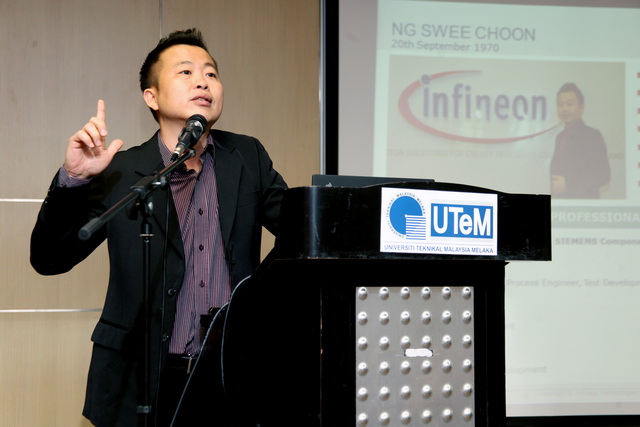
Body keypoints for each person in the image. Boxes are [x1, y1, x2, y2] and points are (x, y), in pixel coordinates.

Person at [30, 28, 287, 426]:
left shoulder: (247, 156)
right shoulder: (121, 170)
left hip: (230, 374)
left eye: (211, 73)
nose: (203, 81)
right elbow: (50, 258)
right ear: (152, 97)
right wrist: (74, 179)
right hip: (140, 378)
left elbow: (301, 232)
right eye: (186, 72)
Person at [550, 82, 610, 199]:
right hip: (560, 205)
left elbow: (603, 175)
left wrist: (568, 184)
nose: (564, 109)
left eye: (570, 104)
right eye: (561, 105)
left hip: (583, 206)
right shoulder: (560, 137)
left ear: (581, 107)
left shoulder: (593, 135)